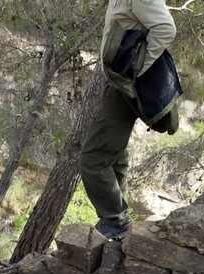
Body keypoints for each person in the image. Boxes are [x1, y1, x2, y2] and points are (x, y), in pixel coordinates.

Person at [79, 0, 181, 240]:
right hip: (118, 82)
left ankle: (115, 220)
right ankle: (119, 219)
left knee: (93, 157)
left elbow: (166, 28)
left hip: (124, 83)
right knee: (115, 154)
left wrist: (135, 67)